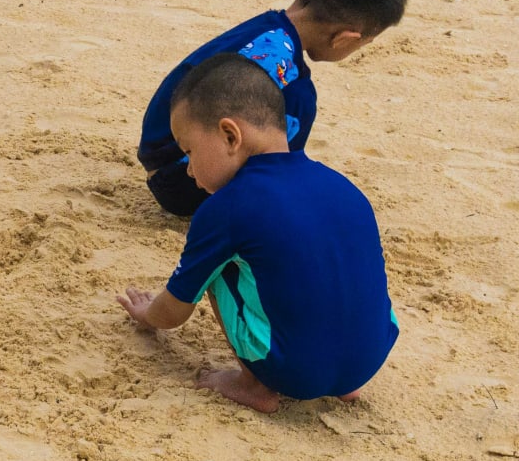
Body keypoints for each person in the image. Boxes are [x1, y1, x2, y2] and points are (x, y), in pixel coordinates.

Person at [117, 54, 398, 413]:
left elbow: (174, 312)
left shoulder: (226, 208)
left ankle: (253, 385)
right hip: (370, 358)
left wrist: (145, 314)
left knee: (216, 268)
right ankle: (346, 384)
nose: (189, 171)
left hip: (294, 373)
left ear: (229, 135)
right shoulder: (343, 186)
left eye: (190, 151)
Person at [137, 0, 406, 217]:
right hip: (182, 184)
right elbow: (278, 171)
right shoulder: (296, 90)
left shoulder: (259, 30)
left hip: (160, 153)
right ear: (343, 39)